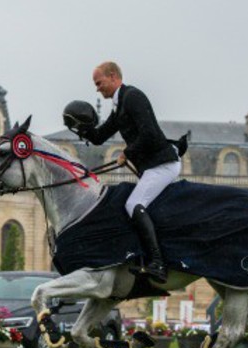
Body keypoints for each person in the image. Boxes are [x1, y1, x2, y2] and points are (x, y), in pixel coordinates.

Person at [64, 61, 182, 284]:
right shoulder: (119, 105)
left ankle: (158, 263)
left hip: (163, 165)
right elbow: (100, 137)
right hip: (152, 167)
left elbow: (148, 132)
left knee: (132, 205)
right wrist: (80, 126)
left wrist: (127, 152)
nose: (97, 88)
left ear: (112, 77)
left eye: (99, 83)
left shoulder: (133, 97)